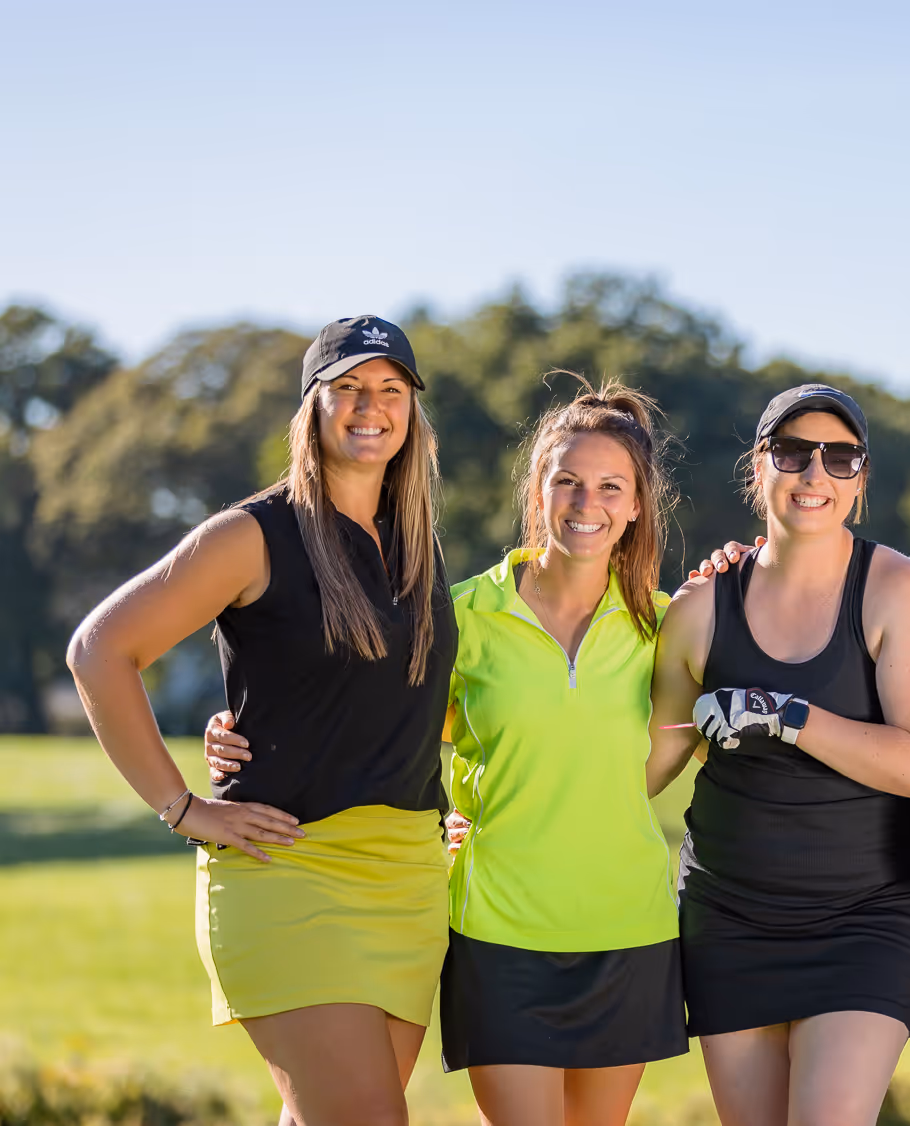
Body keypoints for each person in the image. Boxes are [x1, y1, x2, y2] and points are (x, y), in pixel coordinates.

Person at [206, 378, 689, 1126]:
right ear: (538, 492)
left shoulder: (671, 627)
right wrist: (249, 732)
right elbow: (371, 717)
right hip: (498, 930)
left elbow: (686, 738)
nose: (585, 503)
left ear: (635, 506)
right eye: (566, 481)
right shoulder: (461, 614)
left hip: (631, 931)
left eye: (609, 487)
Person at [68, 316, 456, 1126]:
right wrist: (182, 806)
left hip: (406, 882)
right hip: (289, 873)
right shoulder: (251, 535)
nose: (369, 406)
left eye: (390, 389)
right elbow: (100, 651)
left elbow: (402, 698)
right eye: (346, 387)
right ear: (311, 407)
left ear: (412, 411)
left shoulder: (416, 545)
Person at [648, 384, 910, 1126]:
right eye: (792, 453)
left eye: (839, 458)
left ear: (860, 478)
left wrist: (785, 715)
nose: (815, 474)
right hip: (729, 915)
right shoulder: (698, 608)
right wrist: (490, 813)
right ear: (759, 468)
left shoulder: (898, 591)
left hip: (864, 920)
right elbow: (648, 763)